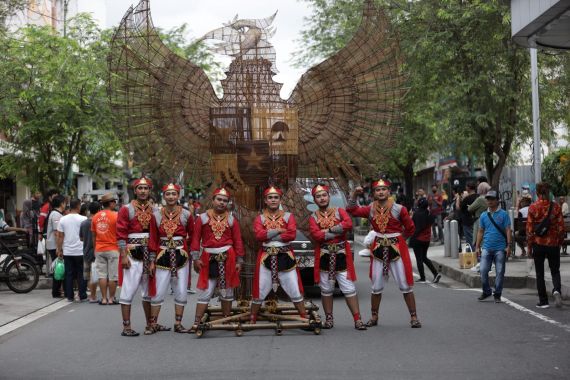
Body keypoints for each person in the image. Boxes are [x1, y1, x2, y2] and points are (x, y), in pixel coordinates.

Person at [347, 179, 421, 328]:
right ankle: (374, 316)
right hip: (379, 248)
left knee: (405, 284)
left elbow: (410, 228)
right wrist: (354, 194)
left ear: (389, 191)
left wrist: (400, 240)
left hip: (397, 248)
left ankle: (414, 317)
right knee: (376, 285)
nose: (380, 192)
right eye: (377, 190)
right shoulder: (370, 209)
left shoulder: (399, 209)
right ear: (374, 193)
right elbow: (352, 210)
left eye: (383, 189)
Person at [308, 184, 366, 330]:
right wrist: (336, 231)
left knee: (348, 288)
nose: (322, 198)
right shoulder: (313, 217)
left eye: (324, 195)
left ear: (329, 196)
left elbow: (348, 224)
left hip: (341, 255)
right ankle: (329, 319)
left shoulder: (340, 211)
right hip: (324, 256)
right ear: (314, 200)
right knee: (326, 289)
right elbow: (316, 235)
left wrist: (327, 230)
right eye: (318, 196)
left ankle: (357, 319)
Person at [250, 186, 307, 324]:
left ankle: (304, 316)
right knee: (260, 289)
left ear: (280, 199)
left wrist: (269, 235)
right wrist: (280, 230)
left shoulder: (289, 216)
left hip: (285, 256)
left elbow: (291, 234)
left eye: (276, 197)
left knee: (294, 288)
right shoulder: (260, 218)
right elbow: (259, 235)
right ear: (265, 200)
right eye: (270, 197)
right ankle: (252, 318)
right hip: (266, 258)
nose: (273, 200)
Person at [190, 187, 244, 331]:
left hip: (229, 257)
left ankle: (226, 320)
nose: (221, 203)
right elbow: (195, 239)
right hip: (208, 258)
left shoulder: (232, 219)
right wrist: (195, 258)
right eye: (219, 199)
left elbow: (238, 241)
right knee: (205, 291)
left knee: (227, 290)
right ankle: (196, 322)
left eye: (225, 201)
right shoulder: (202, 218)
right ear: (212, 200)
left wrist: (239, 261)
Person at [147, 183, 194, 333]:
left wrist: (194, 254)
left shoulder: (186, 214)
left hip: (181, 255)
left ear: (178, 195)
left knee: (181, 289)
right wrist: (152, 260)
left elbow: (193, 236)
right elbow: (153, 238)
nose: (171, 197)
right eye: (168, 194)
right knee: (158, 290)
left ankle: (178, 323)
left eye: (174, 194)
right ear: (164, 196)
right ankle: (153, 324)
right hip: (162, 255)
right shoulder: (156, 215)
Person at [117, 177, 157, 337]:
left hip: (149, 253)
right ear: (135, 191)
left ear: (149, 191)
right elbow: (120, 234)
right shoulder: (125, 209)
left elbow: (155, 235)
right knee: (128, 289)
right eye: (140, 188)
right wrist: (123, 256)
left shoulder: (154, 210)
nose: (143, 191)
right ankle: (126, 327)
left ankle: (150, 324)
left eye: (146, 188)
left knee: (147, 291)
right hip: (132, 253)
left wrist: (153, 258)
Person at [527, 182, 565, 308]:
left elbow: (530, 230)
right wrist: (559, 243)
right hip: (553, 244)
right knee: (555, 271)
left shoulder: (533, 207)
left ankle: (543, 301)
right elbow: (561, 228)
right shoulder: (556, 207)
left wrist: (529, 247)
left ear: (537, 193)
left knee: (539, 274)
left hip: (538, 244)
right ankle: (556, 290)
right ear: (549, 192)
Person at [474, 190, 511, 303]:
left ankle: (497, 294)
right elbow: (480, 231)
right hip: (487, 247)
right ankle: (486, 291)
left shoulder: (504, 214)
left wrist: (508, 246)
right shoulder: (484, 215)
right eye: (488, 199)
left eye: (492, 199)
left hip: (500, 248)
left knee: (500, 271)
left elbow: (508, 230)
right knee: (483, 270)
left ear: (497, 200)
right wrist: (477, 246)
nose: (489, 201)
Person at [56, 199, 88, 302]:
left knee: (68, 274)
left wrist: (59, 249)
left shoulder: (63, 219)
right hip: (80, 250)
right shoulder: (84, 219)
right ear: (78, 206)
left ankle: (69, 295)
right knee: (81, 273)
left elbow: (60, 236)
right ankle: (82, 295)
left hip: (68, 251)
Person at [92, 193, 120, 305]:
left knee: (102, 275)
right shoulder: (116, 216)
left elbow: (93, 235)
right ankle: (111, 298)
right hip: (113, 248)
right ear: (111, 203)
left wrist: (95, 248)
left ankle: (103, 299)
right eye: (114, 202)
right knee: (113, 275)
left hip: (99, 248)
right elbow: (120, 233)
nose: (115, 204)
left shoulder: (96, 216)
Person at [410, 197, 441, 283]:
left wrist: (412, 238)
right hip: (427, 239)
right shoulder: (429, 213)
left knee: (419, 258)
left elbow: (414, 226)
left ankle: (422, 277)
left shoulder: (417, 214)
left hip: (418, 238)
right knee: (424, 257)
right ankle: (435, 273)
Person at [80, 201, 100, 303]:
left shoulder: (83, 223)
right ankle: (93, 295)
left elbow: (81, 238)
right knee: (96, 274)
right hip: (97, 250)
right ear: (99, 210)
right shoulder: (98, 222)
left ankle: (91, 295)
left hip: (86, 251)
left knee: (87, 275)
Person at [46, 195, 66, 298]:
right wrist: (60, 248)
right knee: (58, 268)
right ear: (61, 203)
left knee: (58, 267)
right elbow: (57, 233)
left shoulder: (56, 214)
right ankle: (56, 291)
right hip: (54, 245)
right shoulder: (56, 215)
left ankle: (58, 290)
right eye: (64, 202)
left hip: (54, 245)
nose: (65, 205)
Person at [468, 181, 491, 250]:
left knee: (478, 238)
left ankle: (479, 253)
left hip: (479, 220)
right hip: (489, 220)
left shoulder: (480, 199)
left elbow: (470, 208)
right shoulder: (489, 198)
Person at [459, 181, 478, 250]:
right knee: (476, 238)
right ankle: (470, 253)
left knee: (469, 239)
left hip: (467, 221)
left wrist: (462, 198)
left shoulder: (466, 199)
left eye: (466, 186)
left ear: (468, 188)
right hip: (476, 219)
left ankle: (472, 254)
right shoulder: (478, 197)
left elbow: (460, 208)